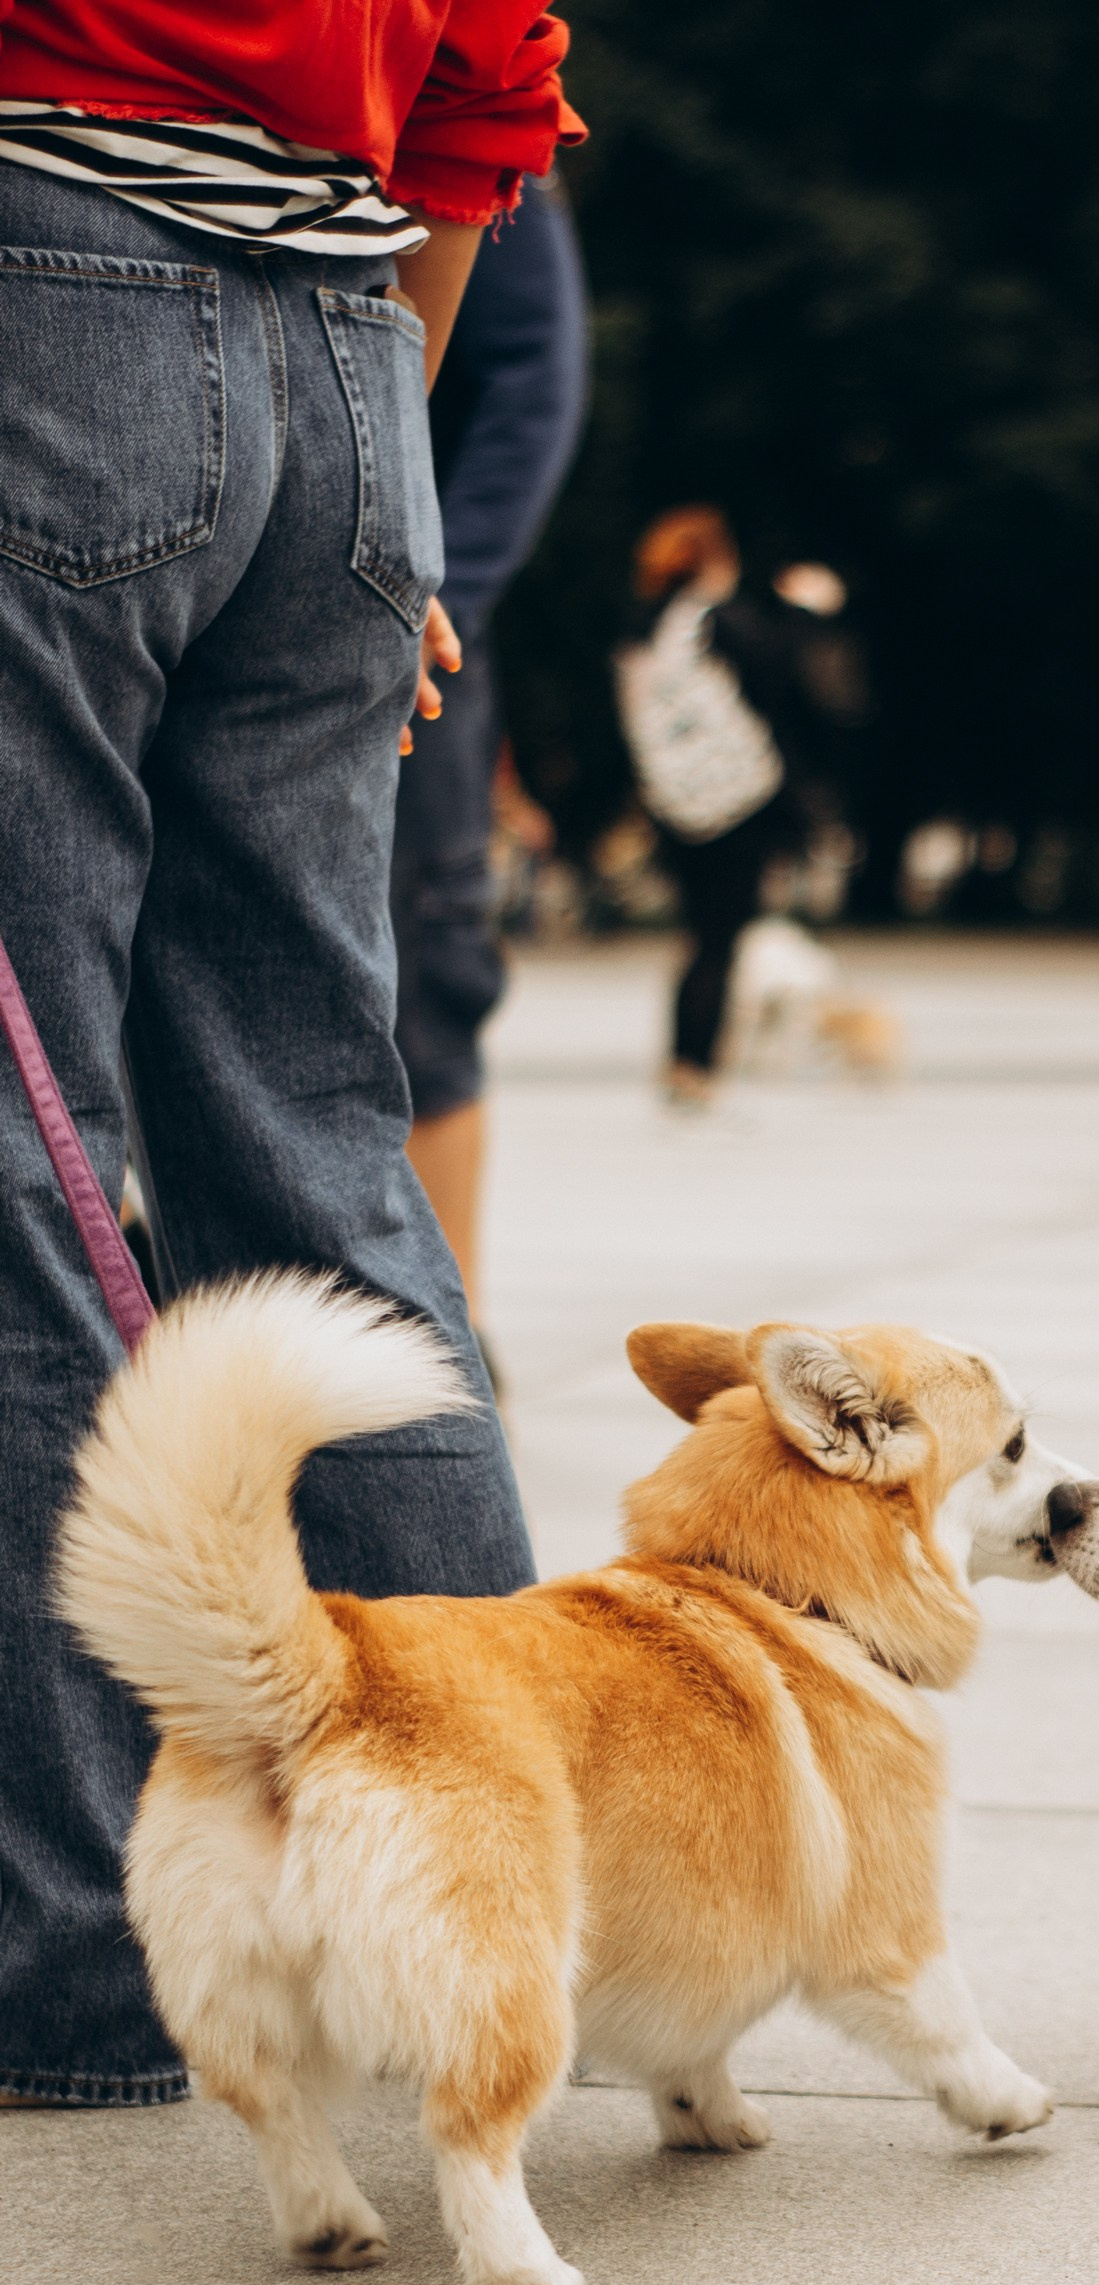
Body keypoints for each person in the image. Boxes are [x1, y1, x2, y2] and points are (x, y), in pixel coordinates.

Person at [0, 4, 580, 2107]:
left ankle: (82, 1970)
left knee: (29, 1155)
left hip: (48, 288)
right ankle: (495, 1892)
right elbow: (494, 83)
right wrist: (381, 488)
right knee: (323, 1148)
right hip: (343, 356)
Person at [392, 166, 588, 1342]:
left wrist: (427, 580)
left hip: (405, 618)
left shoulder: (438, 68)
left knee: (423, 985)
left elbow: (532, 382)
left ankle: (444, 1341)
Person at [617, 508, 857, 1104]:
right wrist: (808, 608)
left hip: (673, 804)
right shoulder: (714, 621)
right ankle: (696, 1067)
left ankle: (681, 1061)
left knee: (698, 936)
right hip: (733, 802)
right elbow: (788, 670)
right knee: (720, 938)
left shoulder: (644, 629)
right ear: (716, 560)